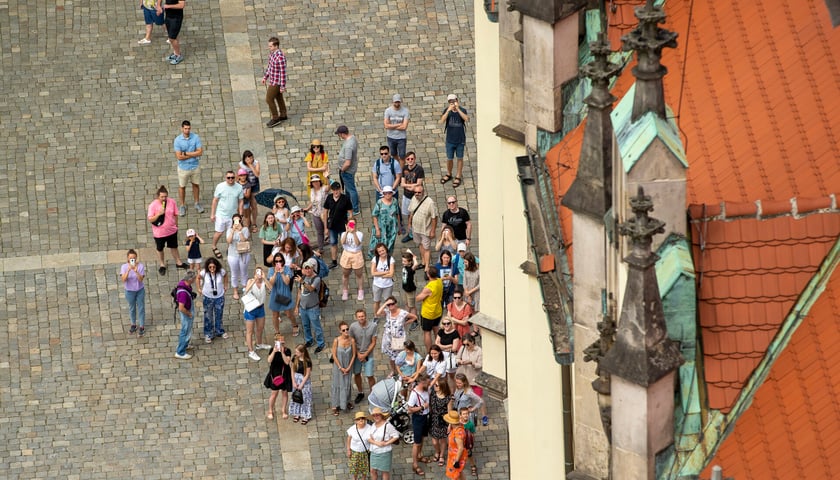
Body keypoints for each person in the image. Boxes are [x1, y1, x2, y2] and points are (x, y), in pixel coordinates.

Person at [147, 185, 188, 275]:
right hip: (159, 233)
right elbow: (150, 219)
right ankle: (162, 264)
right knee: (160, 248)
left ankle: (178, 262)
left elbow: (175, 214)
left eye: (165, 196)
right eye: (162, 197)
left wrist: (176, 225)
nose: (164, 198)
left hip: (171, 230)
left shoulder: (172, 202)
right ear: (158, 196)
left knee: (174, 246)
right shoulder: (153, 205)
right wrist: (158, 214)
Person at [379, 296, 417, 376]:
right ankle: (393, 370)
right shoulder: (387, 312)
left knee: (400, 356)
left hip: (399, 339)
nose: (390, 306)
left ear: (396, 304)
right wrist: (385, 303)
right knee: (391, 357)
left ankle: (401, 371)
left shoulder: (402, 313)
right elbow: (378, 313)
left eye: (392, 304)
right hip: (388, 338)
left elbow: (414, 317)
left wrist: (405, 323)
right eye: (389, 305)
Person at [439, 94, 470, 188]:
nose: (452, 103)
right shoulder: (447, 111)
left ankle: (458, 175)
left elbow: (466, 119)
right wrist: (448, 110)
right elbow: (441, 121)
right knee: (449, 158)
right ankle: (449, 173)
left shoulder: (463, 110)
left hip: (460, 139)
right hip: (450, 139)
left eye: (453, 101)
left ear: (457, 100)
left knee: (460, 158)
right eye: (450, 101)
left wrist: (458, 109)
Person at [172, 120, 203, 216]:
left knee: (196, 185)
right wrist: (193, 154)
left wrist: (186, 153)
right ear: (182, 129)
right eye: (185, 128)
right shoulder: (177, 140)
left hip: (194, 166)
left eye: (189, 128)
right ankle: (182, 205)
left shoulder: (196, 137)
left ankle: (197, 203)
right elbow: (179, 156)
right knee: (182, 187)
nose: (187, 130)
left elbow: (200, 152)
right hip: (183, 168)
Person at [295, 258, 326, 353]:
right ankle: (309, 340)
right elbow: (300, 292)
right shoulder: (303, 277)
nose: (308, 270)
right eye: (306, 268)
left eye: (309, 268)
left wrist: (302, 282)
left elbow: (311, 288)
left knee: (316, 326)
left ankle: (321, 343)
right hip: (303, 307)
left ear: (312, 268)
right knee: (305, 325)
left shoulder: (316, 279)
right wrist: (297, 306)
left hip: (313, 307)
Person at [456, 333, 487, 426]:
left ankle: (484, 416)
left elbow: (480, 365)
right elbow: (457, 358)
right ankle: (468, 415)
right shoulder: (462, 348)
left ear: (473, 342)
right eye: (464, 344)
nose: (466, 346)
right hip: (465, 377)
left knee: (479, 398)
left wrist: (471, 363)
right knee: (465, 397)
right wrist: (460, 361)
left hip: (476, 378)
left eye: (467, 344)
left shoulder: (479, 351)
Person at [349, 308, 377, 405]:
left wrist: (365, 354)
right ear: (356, 317)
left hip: (368, 354)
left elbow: (373, 342)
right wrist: (358, 354)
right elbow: (352, 342)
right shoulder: (353, 327)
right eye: (359, 316)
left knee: (369, 375)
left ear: (365, 316)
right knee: (356, 373)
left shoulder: (373, 326)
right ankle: (360, 392)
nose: (361, 318)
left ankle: (373, 394)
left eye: (362, 316)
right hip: (357, 354)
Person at [323, 181, 354, 269]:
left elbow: (351, 213)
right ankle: (334, 261)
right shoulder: (329, 198)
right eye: (334, 190)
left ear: (340, 189)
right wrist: (325, 227)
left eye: (337, 190)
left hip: (343, 225)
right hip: (332, 226)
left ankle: (348, 260)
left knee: (346, 243)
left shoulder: (346, 198)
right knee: (333, 243)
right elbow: (325, 212)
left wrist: (351, 227)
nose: (336, 192)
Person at [407, 184, 438, 273]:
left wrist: (433, 230)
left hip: (425, 230)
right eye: (415, 192)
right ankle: (423, 262)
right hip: (416, 228)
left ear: (423, 192)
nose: (417, 194)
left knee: (426, 248)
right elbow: (412, 212)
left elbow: (434, 217)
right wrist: (409, 223)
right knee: (420, 245)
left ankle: (427, 267)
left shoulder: (430, 203)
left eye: (419, 192)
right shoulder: (413, 198)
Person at [197, 257, 228, 344]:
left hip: (219, 296)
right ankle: (208, 334)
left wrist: (226, 285)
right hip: (208, 297)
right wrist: (199, 289)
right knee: (208, 316)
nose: (212, 269)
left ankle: (219, 331)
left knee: (219, 314)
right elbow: (198, 278)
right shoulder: (204, 272)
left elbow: (226, 275)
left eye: (214, 267)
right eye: (210, 267)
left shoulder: (221, 271)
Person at [268, 253, 299, 337]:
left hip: (284, 294)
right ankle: (277, 331)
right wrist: (275, 273)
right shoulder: (271, 270)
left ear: (283, 261)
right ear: (274, 262)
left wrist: (282, 273)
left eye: (280, 261)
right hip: (275, 294)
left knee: (288, 313)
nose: (278, 262)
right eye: (276, 261)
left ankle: (295, 325)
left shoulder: (287, 269)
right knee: (275, 315)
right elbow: (271, 283)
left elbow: (287, 282)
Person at [242, 267, 269, 361]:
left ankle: (259, 343)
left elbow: (271, 288)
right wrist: (254, 280)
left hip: (260, 308)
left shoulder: (264, 282)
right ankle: (251, 351)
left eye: (261, 272)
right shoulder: (251, 281)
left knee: (260, 328)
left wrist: (264, 278)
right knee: (250, 331)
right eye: (257, 272)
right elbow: (246, 291)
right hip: (251, 309)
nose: (259, 274)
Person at [407, 373, 432, 476]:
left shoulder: (427, 390)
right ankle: (415, 464)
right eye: (427, 382)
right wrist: (422, 407)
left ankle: (420, 455)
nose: (429, 383)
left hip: (425, 417)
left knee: (422, 438)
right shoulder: (414, 394)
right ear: (422, 382)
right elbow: (409, 409)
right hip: (418, 418)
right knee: (416, 443)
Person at [330, 321, 357, 415]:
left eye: (347, 329)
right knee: (337, 384)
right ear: (340, 331)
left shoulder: (352, 340)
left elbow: (354, 355)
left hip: (348, 365)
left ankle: (346, 401)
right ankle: (335, 405)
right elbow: (334, 355)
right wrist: (340, 367)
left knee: (347, 384)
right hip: (338, 366)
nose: (346, 331)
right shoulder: (336, 341)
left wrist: (349, 367)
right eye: (344, 330)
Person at [263, 333, 292, 420]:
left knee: (284, 393)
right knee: (274, 393)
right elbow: (269, 360)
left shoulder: (287, 350)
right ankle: (270, 410)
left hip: (285, 373)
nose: (283, 343)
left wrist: (282, 352)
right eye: (280, 342)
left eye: (283, 341)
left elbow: (287, 362)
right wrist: (274, 351)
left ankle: (283, 410)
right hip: (274, 374)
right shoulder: (272, 350)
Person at [416, 266, 444, 353]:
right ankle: (439, 349)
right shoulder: (439, 281)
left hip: (428, 313)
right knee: (436, 329)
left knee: (427, 332)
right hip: (438, 311)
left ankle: (429, 352)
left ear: (428, 275)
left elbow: (418, 299)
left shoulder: (429, 287)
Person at [261, 37, 288, 128]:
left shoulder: (280, 57)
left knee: (269, 99)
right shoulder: (272, 54)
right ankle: (283, 114)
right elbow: (270, 67)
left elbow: (283, 73)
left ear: (276, 46)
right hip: (272, 79)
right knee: (279, 98)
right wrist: (265, 77)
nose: (269, 47)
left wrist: (282, 86)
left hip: (276, 82)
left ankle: (275, 118)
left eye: (270, 46)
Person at [368, 407, 400, 480]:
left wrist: (386, 443)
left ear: (381, 415)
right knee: (372, 470)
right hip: (374, 451)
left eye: (378, 415)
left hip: (384, 452)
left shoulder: (387, 425)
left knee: (384, 472)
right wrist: (376, 443)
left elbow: (396, 436)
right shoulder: (373, 425)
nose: (376, 417)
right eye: (374, 415)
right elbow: (369, 438)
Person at [120, 249, 146, 337]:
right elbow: (123, 279)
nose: (133, 260)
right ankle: (133, 324)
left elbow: (141, 279)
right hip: (129, 291)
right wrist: (128, 270)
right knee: (132, 308)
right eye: (131, 258)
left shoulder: (141, 266)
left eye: (134, 258)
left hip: (139, 290)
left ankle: (142, 326)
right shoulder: (124, 267)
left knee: (141, 307)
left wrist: (136, 271)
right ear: (128, 258)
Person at [335, 126, 360, 215]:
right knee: (348, 189)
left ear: (342, 134)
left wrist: (342, 169)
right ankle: (349, 204)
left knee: (351, 189)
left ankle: (355, 208)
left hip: (347, 171)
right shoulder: (352, 138)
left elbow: (348, 162)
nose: (339, 136)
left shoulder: (348, 146)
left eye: (339, 134)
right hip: (351, 169)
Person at [400, 151, 425, 242]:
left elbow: (419, 184)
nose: (410, 160)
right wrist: (411, 186)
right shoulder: (404, 168)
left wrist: (408, 186)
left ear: (415, 159)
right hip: (406, 196)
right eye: (408, 159)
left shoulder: (419, 169)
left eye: (412, 159)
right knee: (408, 214)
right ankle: (411, 233)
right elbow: (402, 184)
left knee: (416, 215)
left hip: (416, 196)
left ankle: (418, 233)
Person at [429, 379, 454, 467]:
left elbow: (450, 413)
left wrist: (450, 425)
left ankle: (442, 455)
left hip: (443, 420)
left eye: (436, 385)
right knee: (435, 441)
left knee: (442, 440)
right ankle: (437, 451)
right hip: (433, 419)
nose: (434, 386)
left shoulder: (448, 399)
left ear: (442, 387)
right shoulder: (433, 393)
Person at [339, 220, 366, 301]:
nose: (351, 225)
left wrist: (354, 233)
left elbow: (357, 243)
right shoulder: (344, 233)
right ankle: (345, 290)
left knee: (359, 274)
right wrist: (347, 232)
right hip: (347, 254)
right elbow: (342, 242)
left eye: (353, 224)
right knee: (345, 274)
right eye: (350, 224)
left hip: (356, 254)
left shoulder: (359, 234)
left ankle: (360, 290)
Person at [226, 213, 251, 300]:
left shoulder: (245, 229)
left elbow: (244, 239)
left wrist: (240, 231)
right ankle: (235, 290)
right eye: (235, 221)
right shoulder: (229, 230)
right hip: (233, 254)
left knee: (244, 272)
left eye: (238, 220)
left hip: (243, 253)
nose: (236, 222)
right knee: (234, 273)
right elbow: (229, 241)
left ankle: (245, 288)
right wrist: (233, 231)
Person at [370, 185, 400, 255]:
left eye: (389, 193)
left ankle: (388, 258)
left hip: (392, 227)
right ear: (383, 194)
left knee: (390, 244)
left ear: (392, 193)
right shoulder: (379, 203)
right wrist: (377, 229)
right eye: (385, 193)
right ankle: (379, 259)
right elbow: (374, 216)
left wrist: (399, 227)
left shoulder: (395, 201)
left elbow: (397, 214)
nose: (387, 195)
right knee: (381, 245)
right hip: (382, 228)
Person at [174, 270, 197, 359]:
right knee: (185, 331)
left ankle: (185, 345)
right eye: (194, 278)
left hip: (187, 311)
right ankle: (180, 352)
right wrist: (189, 314)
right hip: (186, 313)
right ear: (190, 279)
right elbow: (181, 308)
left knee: (187, 330)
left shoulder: (185, 285)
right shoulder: (183, 293)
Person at [383, 94, 410, 169]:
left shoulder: (405, 111)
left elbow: (404, 126)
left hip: (401, 137)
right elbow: (386, 126)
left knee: (402, 155)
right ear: (392, 102)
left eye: (398, 102)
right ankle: (397, 166)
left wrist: (391, 126)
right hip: (391, 137)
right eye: (395, 102)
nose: (397, 104)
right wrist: (398, 124)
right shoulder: (388, 111)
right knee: (393, 153)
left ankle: (400, 172)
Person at [289, 344, 313, 424]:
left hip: (304, 381)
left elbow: (307, 374)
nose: (295, 353)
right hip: (296, 379)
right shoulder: (295, 358)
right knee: (296, 396)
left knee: (305, 398)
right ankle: (297, 413)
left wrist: (302, 384)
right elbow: (292, 370)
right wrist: (293, 381)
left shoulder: (307, 362)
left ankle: (305, 414)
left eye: (297, 352)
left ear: (302, 353)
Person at [346, 411, 373, 480]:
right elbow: (349, 439)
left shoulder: (370, 428)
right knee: (355, 469)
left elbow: (372, 439)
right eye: (359, 419)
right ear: (356, 421)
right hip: (355, 452)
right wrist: (348, 450)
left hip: (365, 452)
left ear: (365, 419)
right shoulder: (352, 429)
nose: (361, 420)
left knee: (364, 468)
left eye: (362, 418)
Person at [370, 243, 395, 316]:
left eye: (383, 250)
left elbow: (391, 274)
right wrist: (386, 272)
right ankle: (375, 315)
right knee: (376, 301)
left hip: (388, 285)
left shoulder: (391, 259)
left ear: (386, 250)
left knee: (388, 302)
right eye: (380, 251)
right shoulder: (375, 259)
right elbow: (373, 273)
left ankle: (388, 315)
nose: (382, 252)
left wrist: (380, 274)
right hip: (377, 285)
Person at [436, 317, 461, 390]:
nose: (446, 325)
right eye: (444, 323)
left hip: (450, 356)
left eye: (448, 323)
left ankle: (453, 393)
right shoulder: (441, 331)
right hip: (441, 355)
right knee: (442, 375)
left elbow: (454, 348)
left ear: (451, 323)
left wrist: (441, 347)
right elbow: (436, 344)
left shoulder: (455, 333)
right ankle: (444, 391)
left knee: (451, 376)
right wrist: (448, 346)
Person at [304, 175, 328, 252]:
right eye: (314, 182)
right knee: (319, 232)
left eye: (317, 181)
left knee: (328, 230)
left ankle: (333, 241)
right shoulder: (312, 190)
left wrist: (328, 178)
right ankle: (320, 248)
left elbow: (329, 187)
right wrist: (307, 208)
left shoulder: (323, 188)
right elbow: (312, 202)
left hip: (324, 213)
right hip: (316, 214)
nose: (316, 183)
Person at [239, 150, 262, 228]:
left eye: (251, 158)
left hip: (254, 185)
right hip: (245, 185)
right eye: (248, 158)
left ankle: (254, 222)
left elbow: (257, 174)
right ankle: (247, 221)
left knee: (254, 205)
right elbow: (238, 175)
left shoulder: (256, 163)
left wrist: (251, 165)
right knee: (246, 205)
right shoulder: (241, 164)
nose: (250, 159)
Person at [444, 409, 469, 479]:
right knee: (459, 473)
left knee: (454, 475)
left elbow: (460, 448)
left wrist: (456, 461)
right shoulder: (456, 427)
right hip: (452, 455)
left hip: (456, 457)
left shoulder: (458, 433)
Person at [162, 0, 186, 64]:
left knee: (171, 38)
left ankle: (178, 55)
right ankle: (175, 53)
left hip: (176, 18)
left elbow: (181, 5)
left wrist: (168, 6)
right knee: (174, 36)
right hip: (168, 16)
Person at [400, 250, 422, 317]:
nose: (403, 262)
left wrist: (414, 258)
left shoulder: (411, 268)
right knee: (407, 304)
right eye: (402, 260)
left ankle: (414, 319)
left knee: (412, 306)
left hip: (410, 290)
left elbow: (416, 264)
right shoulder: (406, 266)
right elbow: (408, 250)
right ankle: (406, 315)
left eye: (404, 261)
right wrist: (411, 254)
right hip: (405, 288)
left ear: (409, 262)